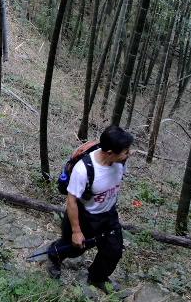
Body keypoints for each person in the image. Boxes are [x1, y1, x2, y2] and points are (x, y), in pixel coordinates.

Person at [46, 125, 134, 293]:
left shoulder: (120, 161)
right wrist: (76, 231)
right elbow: (71, 201)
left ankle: (97, 277)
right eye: (125, 151)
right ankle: (54, 256)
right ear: (109, 152)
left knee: (113, 250)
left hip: (108, 215)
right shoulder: (84, 170)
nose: (128, 154)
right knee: (73, 249)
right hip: (85, 216)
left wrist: (124, 154)